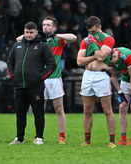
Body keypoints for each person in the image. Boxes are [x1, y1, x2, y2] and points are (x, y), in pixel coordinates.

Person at [16, 16, 77, 144]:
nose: (46, 27)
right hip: (40, 79)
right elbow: (18, 39)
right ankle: (38, 136)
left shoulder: (58, 40)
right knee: (39, 109)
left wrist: (56, 35)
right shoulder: (37, 40)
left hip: (54, 79)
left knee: (59, 108)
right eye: (44, 25)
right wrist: (38, 36)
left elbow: (73, 37)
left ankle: (62, 137)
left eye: (48, 25)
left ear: (54, 27)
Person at [7, 21, 56, 145]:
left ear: (36, 32)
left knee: (38, 113)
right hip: (19, 86)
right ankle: (19, 138)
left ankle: (39, 138)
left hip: (36, 87)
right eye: (26, 32)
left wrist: (40, 78)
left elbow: (52, 65)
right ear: (24, 32)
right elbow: (9, 63)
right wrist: (13, 77)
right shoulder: (16, 46)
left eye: (31, 32)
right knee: (20, 114)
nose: (28, 35)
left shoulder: (43, 46)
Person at [77, 16, 116, 148]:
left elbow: (102, 56)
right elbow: (79, 61)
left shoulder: (108, 39)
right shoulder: (85, 40)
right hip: (88, 75)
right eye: (89, 32)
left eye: (94, 32)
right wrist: (93, 55)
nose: (91, 35)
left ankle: (112, 140)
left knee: (107, 109)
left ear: (99, 27)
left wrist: (93, 45)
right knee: (87, 109)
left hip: (101, 76)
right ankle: (87, 140)